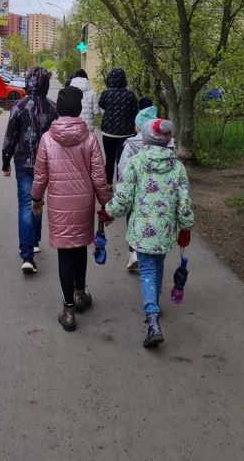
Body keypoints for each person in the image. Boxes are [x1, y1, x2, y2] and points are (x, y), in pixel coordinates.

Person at [101, 118, 194, 347]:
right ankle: (156, 301)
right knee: (158, 264)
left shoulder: (136, 163)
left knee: (146, 270)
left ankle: (152, 321)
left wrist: (108, 212)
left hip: (142, 231)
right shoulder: (178, 167)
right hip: (164, 230)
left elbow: (123, 199)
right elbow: (184, 203)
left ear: (145, 140)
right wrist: (185, 227)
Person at [30, 86, 110, 332]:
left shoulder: (47, 138)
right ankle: (80, 293)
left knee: (65, 252)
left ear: (58, 109)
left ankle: (68, 312)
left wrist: (36, 198)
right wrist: (106, 203)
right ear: (79, 109)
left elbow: (40, 175)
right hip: (83, 202)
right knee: (80, 246)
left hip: (59, 204)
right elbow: (99, 176)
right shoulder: (90, 138)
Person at [2, 66, 58, 273]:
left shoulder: (19, 106)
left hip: (23, 162)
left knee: (26, 204)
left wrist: (5, 162)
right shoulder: (53, 108)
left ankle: (27, 256)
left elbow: (10, 137)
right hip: (46, 164)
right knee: (38, 200)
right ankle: (35, 241)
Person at [117, 104, 159, 272]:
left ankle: (134, 252)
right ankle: (152, 249)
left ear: (138, 126)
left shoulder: (131, 143)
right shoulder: (164, 144)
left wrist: (122, 187)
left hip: (135, 192)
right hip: (157, 193)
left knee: (133, 219)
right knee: (154, 220)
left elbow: (123, 167)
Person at [98, 67, 138, 187]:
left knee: (109, 159)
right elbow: (135, 112)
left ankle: (108, 184)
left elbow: (102, 105)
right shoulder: (130, 95)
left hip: (108, 131)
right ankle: (120, 186)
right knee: (122, 161)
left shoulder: (106, 93)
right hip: (126, 133)